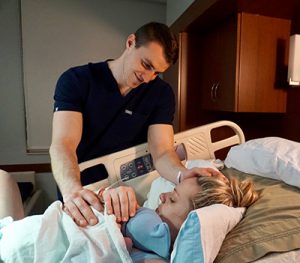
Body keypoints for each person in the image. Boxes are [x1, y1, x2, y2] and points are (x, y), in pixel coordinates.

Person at [49, 21, 224, 227]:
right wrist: (72, 191)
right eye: (146, 65)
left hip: (127, 191)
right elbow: (64, 143)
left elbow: (162, 152)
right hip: (79, 187)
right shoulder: (77, 80)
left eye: (156, 72)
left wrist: (181, 174)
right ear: (131, 42)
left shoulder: (160, 94)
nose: (147, 78)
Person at [0, 170, 258, 262]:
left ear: (193, 219)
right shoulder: (147, 223)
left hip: (25, 245)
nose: (161, 197)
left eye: (174, 198)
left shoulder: (156, 242)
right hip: (35, 230)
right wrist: (100, 196)